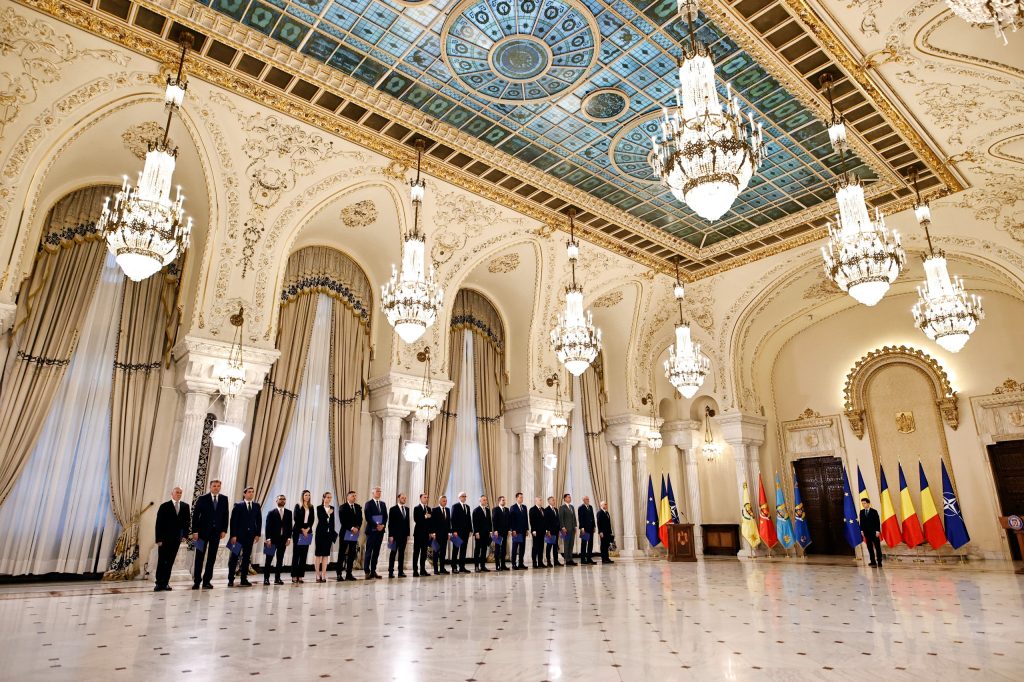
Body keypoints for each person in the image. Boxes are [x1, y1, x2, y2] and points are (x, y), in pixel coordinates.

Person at [192, 480, 228, 589]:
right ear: (210, 487)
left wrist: (224, 530)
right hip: (201, 533)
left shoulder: (224, 499)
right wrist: (195, 531)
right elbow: (195, 515)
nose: (216, 488)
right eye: (214, 486)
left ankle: (207, 581)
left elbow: (225, 515)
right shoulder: (202, 498)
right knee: (199, 557)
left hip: (216, 533)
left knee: (212, 557)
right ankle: (197, 581)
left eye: (218, 486)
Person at [154, 486, 190, 591]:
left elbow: (187, 522)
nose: (179, 494)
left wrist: (185, 535)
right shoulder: (164, 506)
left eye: (180, 493)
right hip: (164, 539)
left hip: (176, 539)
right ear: (172, 493)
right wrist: (158, 539)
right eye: (177, 492)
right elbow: (159, 523)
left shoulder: (185, 506)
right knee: (162, 561)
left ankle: (166, 583)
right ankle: (158, 583)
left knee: (170, 562)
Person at [228, 486, 262, 587]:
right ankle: (231, 579)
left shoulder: (256, 506)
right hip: (237, 537)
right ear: (244, 494)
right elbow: (233, 521)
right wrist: (233, 535)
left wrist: (257, 534)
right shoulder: (238, 505)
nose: (251, 493)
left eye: (252, 492)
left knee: (246, 558)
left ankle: (244, 579)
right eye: (249, 492)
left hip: (250, 536)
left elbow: (259, 521)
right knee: (234, 557)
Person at [264, 495, 292, 585]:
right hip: (271, 540)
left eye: (284, 499)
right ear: (276, 501)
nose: (282, 500)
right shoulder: (271, 512)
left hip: (283, 540)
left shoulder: (289, 512)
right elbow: (267, 527)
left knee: (280, 560)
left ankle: (277, 578)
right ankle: (266, 579)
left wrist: (289, 538)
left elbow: (289, 526)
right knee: (268, 560)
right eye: (280, 499)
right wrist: (268, 539)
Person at [337, 491, 362, 581]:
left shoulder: (358, 507)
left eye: (355, 496)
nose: (354, 497)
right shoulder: (343, 507)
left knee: (352, 553)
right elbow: (343, 521)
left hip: (355, 533)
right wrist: (351, 528)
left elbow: (360, 519)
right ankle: (339, 574)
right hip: (345, 533)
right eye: (352, 496)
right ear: (348, 497)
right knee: (342, 553)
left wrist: (357, 527)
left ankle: (349, 574)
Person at [364, 486, 387, 579]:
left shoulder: (383, 504)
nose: (379, 492)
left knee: (376, 552)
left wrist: (383, 525)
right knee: (369, 552)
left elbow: (385, 516)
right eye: (377, 491)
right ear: (373, 493)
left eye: (380, 491)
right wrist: (376, 525)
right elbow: (368, 517)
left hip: (380, 532)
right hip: (371, 531)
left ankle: (373, 571)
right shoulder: (368, 504)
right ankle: (367, 571)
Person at [292, 490, 315, 583]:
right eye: (306, 495)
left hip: (308, 531)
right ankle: (294, 575)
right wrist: (302, 529)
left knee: (304, 555)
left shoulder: (311, 507)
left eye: (309, 495)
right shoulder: (298, 505)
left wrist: (307, 529)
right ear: (302, 496)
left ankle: (301, 576)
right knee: (296, 554)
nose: (307, 496)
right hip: (298, 531)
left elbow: (312, 519)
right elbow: (296, 518)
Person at [314, 492, 336, 582]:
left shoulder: (332, 508)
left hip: (328, 534)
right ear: (323, 498)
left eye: (330, 497)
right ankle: (317, 574)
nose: (329, 499)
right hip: (320, 533)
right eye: (327, 497)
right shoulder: (319, 507)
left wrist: (332, 533)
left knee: (326, 555)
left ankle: (323, 574)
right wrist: (328, 513)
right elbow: (321, 519)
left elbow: (332, 522)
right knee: (318, 554)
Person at [387, 493, 410, 578]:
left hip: (404, 536)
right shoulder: (393, 509)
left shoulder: (407, 509)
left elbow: (407, 523)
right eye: (402, 498)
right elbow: (390, 523)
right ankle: (391, 572)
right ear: (398, 498)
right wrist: (390, 535)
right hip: (394, 536)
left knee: (401, 554)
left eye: (405, 498)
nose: (404, 499)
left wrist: (408, 534)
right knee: (393, 553)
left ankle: (400, 572)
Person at [450, 491, 472, 574]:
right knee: (456, 550)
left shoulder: (467, 507)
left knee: (463, 550)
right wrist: (454, 531)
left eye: (465, 496)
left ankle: (462, 567)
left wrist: (470, 530)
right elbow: (452, 519)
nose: (464, 497)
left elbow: (469, 519)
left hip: (466, 532)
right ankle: (454, 567)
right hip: (457, 532)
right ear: (459, 497)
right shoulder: (455, 506)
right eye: (463, 496)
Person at [412, 493, 433, 577]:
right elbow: (416, 519)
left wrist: (431, 532)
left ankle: (422, 570)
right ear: (420, 498)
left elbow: (430, 522)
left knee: (424, 553)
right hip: (418, 534)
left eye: (427, 497)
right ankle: (415, 571)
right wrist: (425, 516)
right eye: (424, 497)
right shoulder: (416, 508)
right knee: (416, 552)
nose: (426, 498)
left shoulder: (429, 508)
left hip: (426, 534)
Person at [472, 495, 492, 573]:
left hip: (486, 534)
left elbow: (489, 522)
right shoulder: (476, 510)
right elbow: (475, 523)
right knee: (477, 550)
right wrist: (476, 532)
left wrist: (490, 531)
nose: (485, 501)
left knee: (484, 550)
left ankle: (483, 566)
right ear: (480, 501)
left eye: (486, 500)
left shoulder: (487, 510)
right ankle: (476, 566)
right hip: (479, 534)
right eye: (484, 500)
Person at [860, 498, 883, 567]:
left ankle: (879, 561)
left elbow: (877, 522)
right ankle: (872, 561)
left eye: (864, 503)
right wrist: (862, 530)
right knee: (869, 547)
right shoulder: (861, 512)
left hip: (874, 532)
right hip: (866, 532)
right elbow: (861, 522)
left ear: (868, 503)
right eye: (862, 503)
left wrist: (877, 531)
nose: (863, 505)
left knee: (877, 547)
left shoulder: (874, 511)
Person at [432, 495, 451, 575]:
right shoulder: (435, 510)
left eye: (446, 501)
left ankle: (442, 569)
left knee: (443, 552)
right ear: (439, 501)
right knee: (436, 552)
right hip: (437, 535)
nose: (445, 502)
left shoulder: (448, 510)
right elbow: (432, 523)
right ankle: (436, 569)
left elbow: (448, 522)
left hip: (445, 535)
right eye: (443, 501)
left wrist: (449, 533)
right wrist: (433, 533)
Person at [509, 493, 528, 570]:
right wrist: (513, 530)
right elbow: (511, 520)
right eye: (520, 497)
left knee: (522, 548)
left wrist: (527, 529)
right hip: (516, 532)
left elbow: (526, 519)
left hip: (523, 531)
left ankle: (521, 563)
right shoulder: (513, 507)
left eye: (522, 497)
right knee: (515, 548)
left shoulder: (524, 507)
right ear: (516, 498)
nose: (522, 499)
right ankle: (513, 564)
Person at [558, 493, 578, 566]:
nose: (570, 498)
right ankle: (567, 560)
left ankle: (570, 559)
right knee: (566, 544)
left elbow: (574, 517)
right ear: (565, 499)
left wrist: (575, 526)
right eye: (568, 497)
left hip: (572, 529)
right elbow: (561, 518)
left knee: (571, 544)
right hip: (565, 529)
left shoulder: (572, 507)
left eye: (570, 497)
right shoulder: (562, 507)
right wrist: (563, 527)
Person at [492, 495, 510, 571]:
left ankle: (503, 565)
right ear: (499, 501)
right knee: (497, 549)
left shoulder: (507, 509)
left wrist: (508, 530)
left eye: (504, 500)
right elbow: (494, 520)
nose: (504, 501)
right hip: (497, 533)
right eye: (503, 500)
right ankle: (497, 566)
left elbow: (508, 520)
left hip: (505, 532)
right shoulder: (495, 509)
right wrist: (495, 530)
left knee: (503, 549)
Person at [577, 495, 596, 565]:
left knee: (590, 543)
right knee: (584, 544)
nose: (588, 500)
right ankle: (583, 559)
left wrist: (594, 526)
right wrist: (582, 528)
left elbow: (593, 517)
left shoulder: (590, 507)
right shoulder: (581, 508)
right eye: (586, 499)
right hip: (584, 529)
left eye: (588, 499)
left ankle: (589, 558)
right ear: (583, 500)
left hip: (591, 528)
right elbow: (580, 518)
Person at [544, 496, 561, 567]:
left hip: (556, 531)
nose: (554, 501)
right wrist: (547, 531)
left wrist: (559, 530)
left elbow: (557, 520)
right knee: (549, 547)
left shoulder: (556, 509)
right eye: (553, 500)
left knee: (555, 546)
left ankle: (556, 561)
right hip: (550, 532)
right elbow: (546, 521)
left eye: (554, 500)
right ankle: (548, 561)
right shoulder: (546, 510)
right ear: (549, 501)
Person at [529, 497, 546, 569]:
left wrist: (546, 530)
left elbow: (545, 521)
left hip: (542, 531)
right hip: (536, 532)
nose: (541, 501)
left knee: (541, 547)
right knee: (535, 547)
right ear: (536, 501)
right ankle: (534, 562)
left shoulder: (543, 510)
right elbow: (532, 521)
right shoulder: (532, 509)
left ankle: (540, 562)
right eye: (540, 500)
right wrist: (533, 530)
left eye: (541, 500)